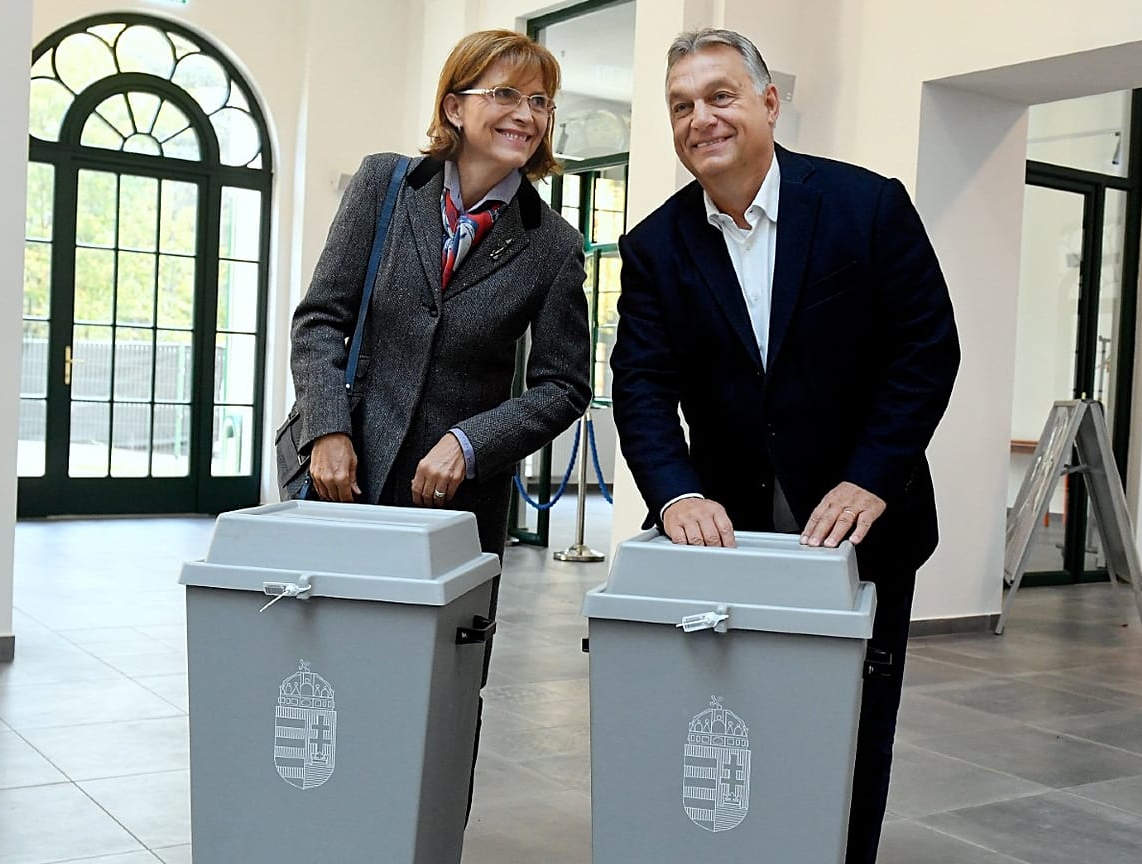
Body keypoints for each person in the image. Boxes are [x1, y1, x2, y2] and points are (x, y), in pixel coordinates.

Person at [609, 29, 960, 864]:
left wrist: (874, 477)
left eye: (720, 95)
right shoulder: (655, 246)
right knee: (733, 720)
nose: (702, 118)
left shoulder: (866, 206)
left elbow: (926, 349)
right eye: (682, 105)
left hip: (861, 525)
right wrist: (676, 494)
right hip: (728, 533)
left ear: (770, 102)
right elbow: (643, 387)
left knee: (853, 729)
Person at [289, 29, 590, 557]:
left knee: (437, 641)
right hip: (348, 479)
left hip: (458, 503)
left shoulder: (554, 244)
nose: (526, 114)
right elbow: (319, 320)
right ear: (454, 107)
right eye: (505, 95)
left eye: (539, 102)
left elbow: (563, 387)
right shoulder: (384, 182)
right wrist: (327, 430)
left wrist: (470, 443)